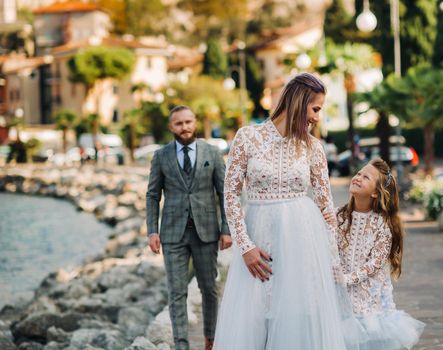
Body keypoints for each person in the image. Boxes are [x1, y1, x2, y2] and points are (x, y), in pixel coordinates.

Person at [213, 73, 348, 350]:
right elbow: (230, 195)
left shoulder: (313, 147)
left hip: (302, 244)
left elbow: (326, 206)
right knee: (254, 319)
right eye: (315, 109)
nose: (317, 118)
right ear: (299, 102)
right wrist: (245, 247)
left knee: (297, 318)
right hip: (258, 242)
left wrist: (332, 260)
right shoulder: (247, 138)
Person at [146, 105, 232, 350]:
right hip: (172, 234)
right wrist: (152, 230)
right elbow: (152, 195)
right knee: (176, 292)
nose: (184, 127)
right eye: (178, 124)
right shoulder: (161, 156)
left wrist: (226, 229)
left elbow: (224, 193)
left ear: (194, 122)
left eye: (188, 122)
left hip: (206, 231)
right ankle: (181, 344)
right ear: (171, 127)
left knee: (209, 288)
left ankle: (211, 339)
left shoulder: (212, 153)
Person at [334, 158, 425, 350]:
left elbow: (374, 263)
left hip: (369, 301)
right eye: (358, 173)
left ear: (375, 192)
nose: (357, 178)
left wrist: (347, 278)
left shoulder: (382, 225)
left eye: (365, 177)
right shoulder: (338, 216)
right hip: (339, 296)